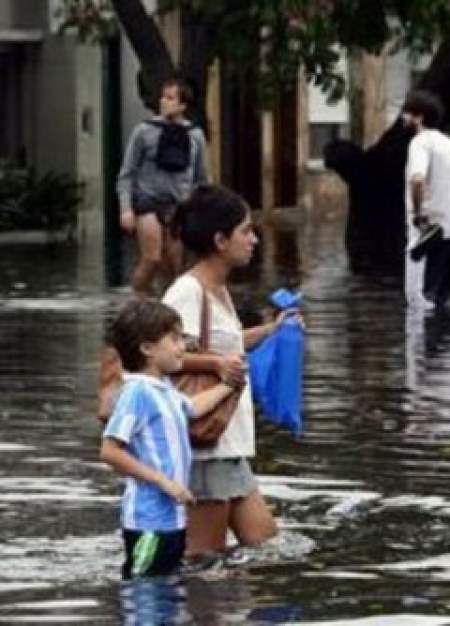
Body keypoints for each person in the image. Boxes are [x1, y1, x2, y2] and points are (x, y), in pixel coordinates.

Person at [162, 184, 290, 561]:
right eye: (246, 231)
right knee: (204, 559)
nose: (253, 239)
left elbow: (224, 344)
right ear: (220, 240)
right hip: (207, 447)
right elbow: (163, 358)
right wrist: (217, 364)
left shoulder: (217, 289)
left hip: (229, 442)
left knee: (265, 544)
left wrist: (271, 332)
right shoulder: (186, 292)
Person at [100, 298, 238, 579]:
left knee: (165, 590)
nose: (182, 347)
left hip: (170, 518)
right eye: (174, 339)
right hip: (148, 521)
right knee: (144, 592)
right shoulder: (137, 393)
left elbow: (193, 407)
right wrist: (164, 482)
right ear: (147, 349)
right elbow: (110, 450)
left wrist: (230, 385)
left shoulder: (163, 389)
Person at [116, 77, 209, 295]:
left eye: (170, 98)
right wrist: (126, 208)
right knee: (152, 258)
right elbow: (127, 174)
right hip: (148, 203)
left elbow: (201, 178)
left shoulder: (195, 135)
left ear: (183, 104)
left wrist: (201, 211)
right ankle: (136, 300)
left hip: (178, 207)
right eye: (162, 97)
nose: (163, 101)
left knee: (174, 266)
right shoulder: (143, 131)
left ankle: (165, 308)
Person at [402, 90, 450, 310]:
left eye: (407, 114)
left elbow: (417, 180)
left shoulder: (420, 143)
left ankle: (423, 346)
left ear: (419, 117)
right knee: (446, 302)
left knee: (419, 301)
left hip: (429, 234)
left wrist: (419, 215)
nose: (403, 119)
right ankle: (449, 344)